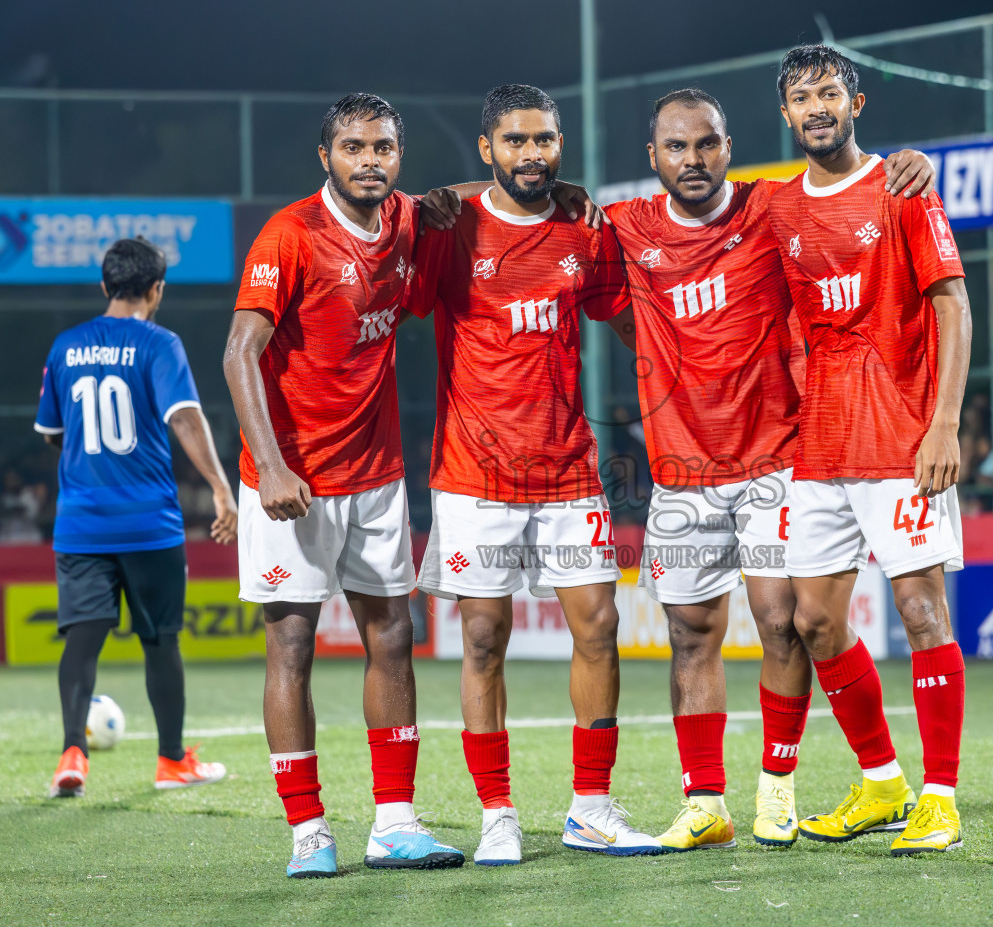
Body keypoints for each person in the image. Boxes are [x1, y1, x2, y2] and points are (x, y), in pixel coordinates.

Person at [590, 88, 932, 851]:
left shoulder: (769, 209)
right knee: (690, 634)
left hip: (776, 461)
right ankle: (702, 803)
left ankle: (776, 787)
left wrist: (908, 163)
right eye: (675, 147)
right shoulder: (624, 228)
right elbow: (549, 223)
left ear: (728, 146)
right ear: (652, 159)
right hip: (679, 472)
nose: (692, 159)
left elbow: (845, 182)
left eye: (706, 143)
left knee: (786, 623)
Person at [406, 84, 659, 865]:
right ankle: (496, 814)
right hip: (474, 472)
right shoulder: (452, 229)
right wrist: (428, 204)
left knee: (601, 628)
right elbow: (400, 275)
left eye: (544, 139)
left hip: (567, 472)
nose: (532, 154)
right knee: (482, 638)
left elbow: (621, 314)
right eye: (515, 141)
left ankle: (589, 807)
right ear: (486, 148)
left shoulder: (583, 230)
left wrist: (670, 367)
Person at [224, 94, 469, 878]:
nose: (371, 160)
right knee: (292, 643)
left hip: (375, 476)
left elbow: (464, 199)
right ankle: (308, 831)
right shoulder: (289, 234)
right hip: (290, 479)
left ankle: (394, 823)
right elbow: (238, 351)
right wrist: (273, 466)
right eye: (354, 147)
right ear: (324, 157)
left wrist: (558, 192)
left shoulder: (403, 217)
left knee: (391, 637)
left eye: (385, 147)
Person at [764, 45, 972, 856]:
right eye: (801, 97)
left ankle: (940, 798)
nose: (816, 107)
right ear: (784, 115)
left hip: (899, 440)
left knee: (920, 611)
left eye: (828, 93)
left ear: (856, 102)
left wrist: (944, 423)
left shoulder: (902, 189)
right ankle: (882, 782)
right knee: (814, 620)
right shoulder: (776, 208)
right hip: (819, 446)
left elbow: (951, 305)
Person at [35, 239, 238, 800]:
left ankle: (72, 751)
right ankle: (172, 760)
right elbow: (186, 418)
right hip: (150, 523)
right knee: (160, 640)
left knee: (81, 638)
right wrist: (222, 488)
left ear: (105, 287)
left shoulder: (65, 346)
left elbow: (53, 433)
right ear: (157, 290)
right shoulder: (160, 343)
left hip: (80, 523)